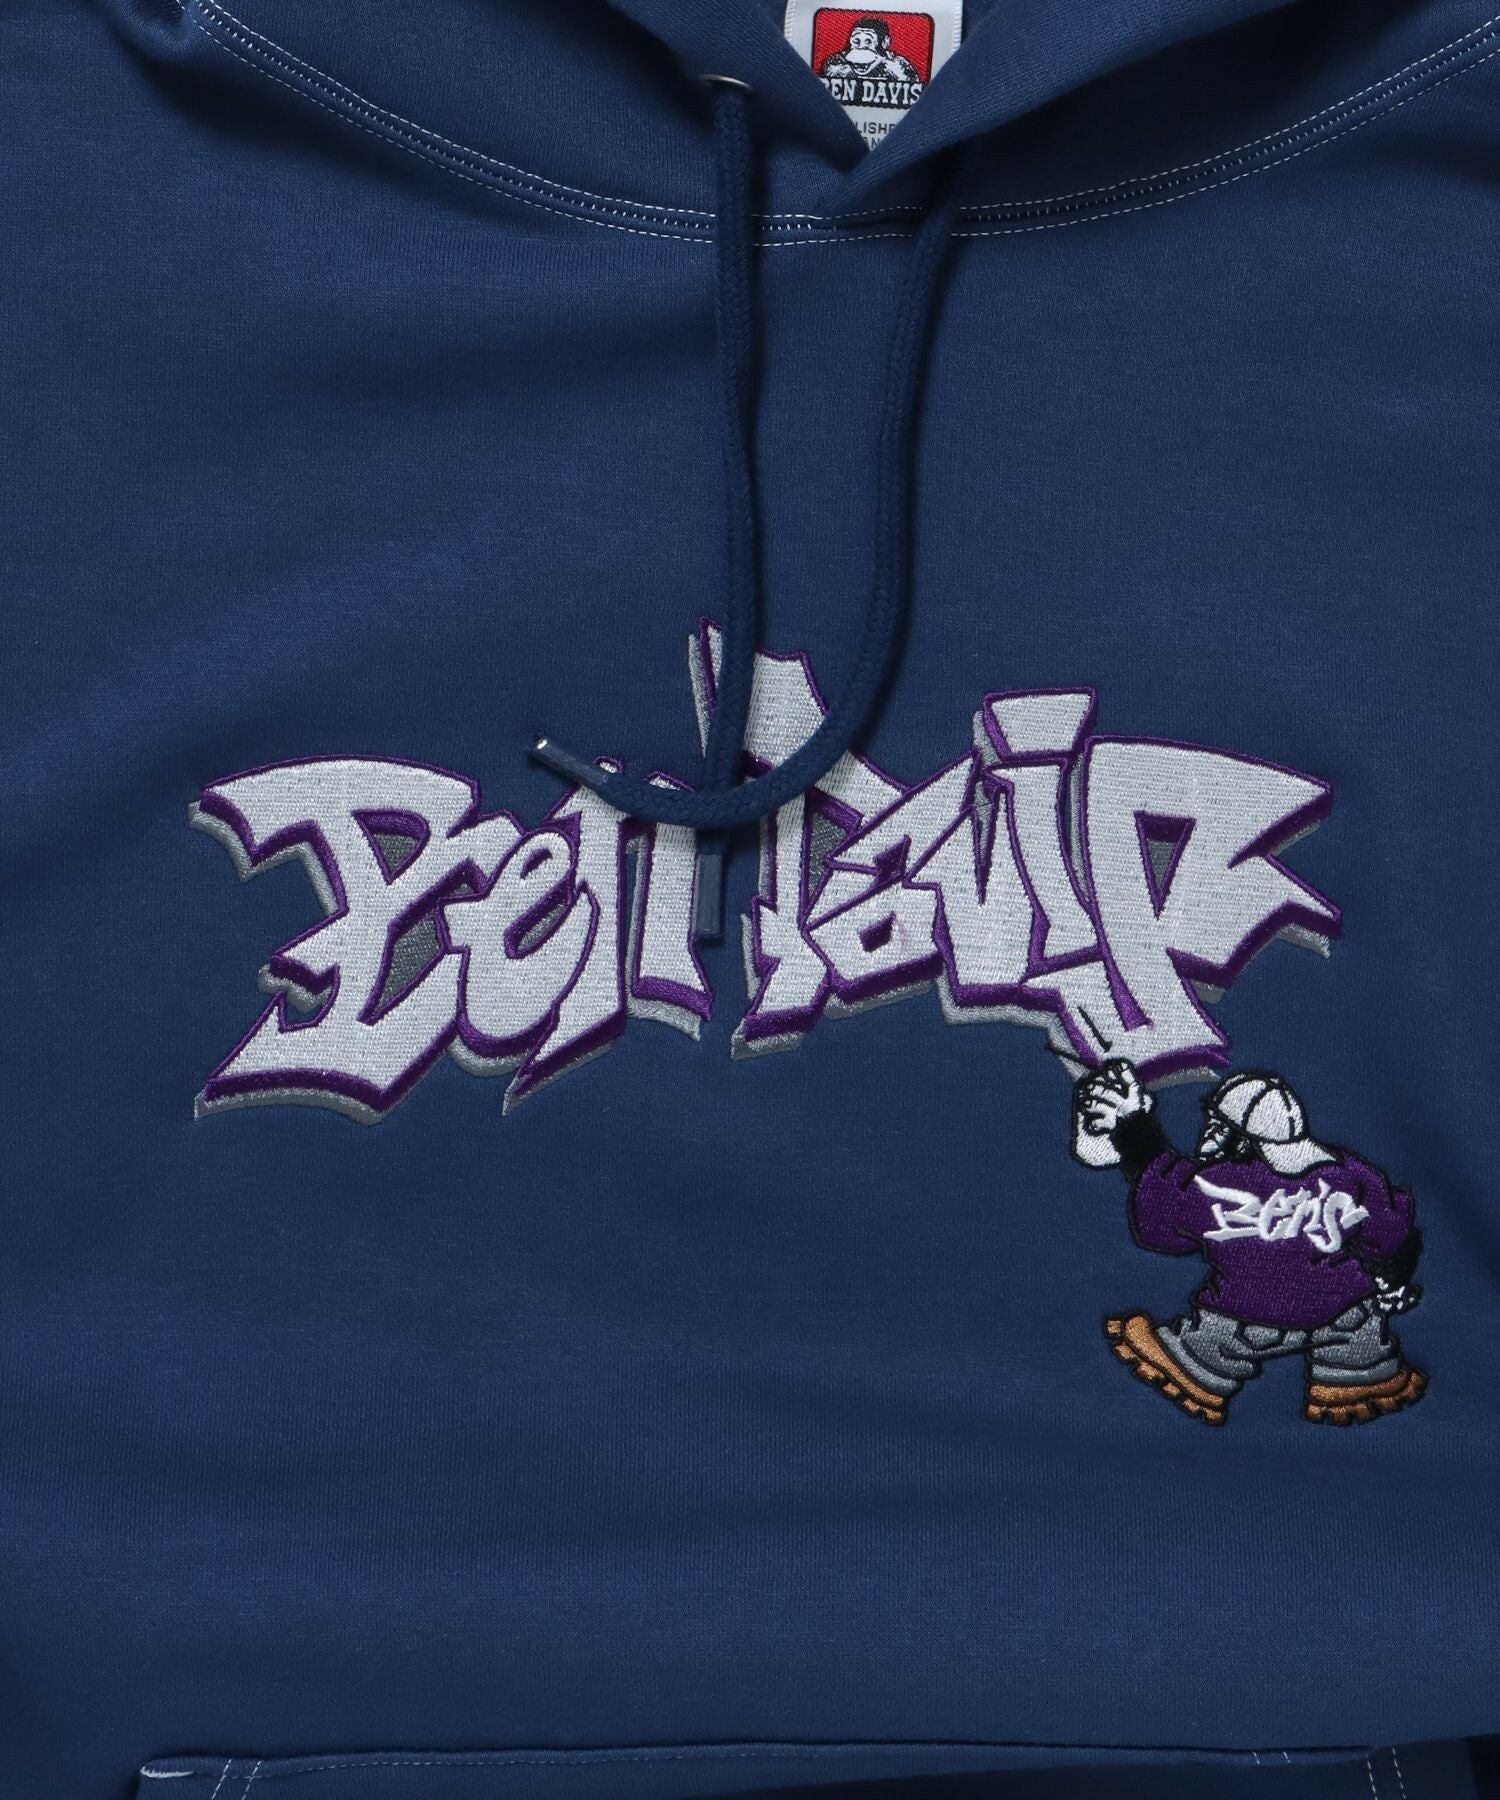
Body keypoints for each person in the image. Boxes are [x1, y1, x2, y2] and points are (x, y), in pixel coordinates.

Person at [1074, 1060, 1425, 1426]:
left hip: (1242, 1317)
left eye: (1217, 1126)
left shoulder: (1219, 1183)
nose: (1208, 1136)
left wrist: (1136, 1132)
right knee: (1357, 1328)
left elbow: (1166, 1211)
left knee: (1211, 1346)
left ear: (1238, 1135)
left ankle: (1200, 1371)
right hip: (1342, 1309)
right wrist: (1394, 1276)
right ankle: (1359, 1375)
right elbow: (1388, 1231)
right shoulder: (1350, 1174)